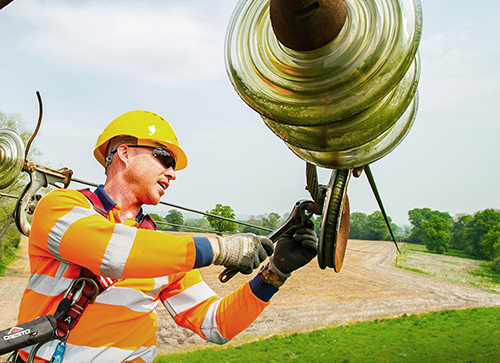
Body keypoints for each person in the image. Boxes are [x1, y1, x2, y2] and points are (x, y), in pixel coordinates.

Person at [16, 110, 317, 362]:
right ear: (124, 152)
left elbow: (217, 324)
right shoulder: (60, 207)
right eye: (164, 158)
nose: (173, 172)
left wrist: (275, 272)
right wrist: (218, 248)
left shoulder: (161, 248)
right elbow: (112, 251)